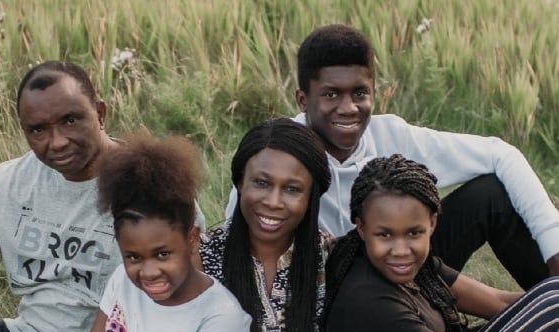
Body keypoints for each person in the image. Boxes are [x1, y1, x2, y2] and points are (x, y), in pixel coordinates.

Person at [225, 24, 559, 290]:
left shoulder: (392, 136)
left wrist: (553, 246)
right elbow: (235, 238)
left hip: (399, 260)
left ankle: (552, 299)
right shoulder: (277, 155)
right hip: (325, 293)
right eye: (330, 94)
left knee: (491, 195)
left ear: (374, 92)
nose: (348, 108)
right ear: (302, 99)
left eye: (359, 93)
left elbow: (502, 154)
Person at [0, 61, 205, 332]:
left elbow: (188, 303)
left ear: (100, 114)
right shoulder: (10, 183)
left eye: (70, 121)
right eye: (38, 130)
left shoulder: (153, 185)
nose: (57, 142)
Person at [324, 154, 559, 332]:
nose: (401, 250)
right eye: (385, 235)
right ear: (362, 228)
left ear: (432, 224)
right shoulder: (370, 303)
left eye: (414, 233)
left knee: (552, 292)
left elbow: (499, 302)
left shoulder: (418, 269)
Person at [84, 131, 251, 332]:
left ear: (192, 239)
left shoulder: (222, 318)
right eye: (134, 257)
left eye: (162, 254)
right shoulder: (122, 281)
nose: (149, 272)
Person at [197, 118, 331, 332]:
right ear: (240, 183)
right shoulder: (201, 258)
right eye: (261, 183)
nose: (273, 202)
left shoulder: (330, 257)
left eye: (292, 189)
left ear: (311, 197)